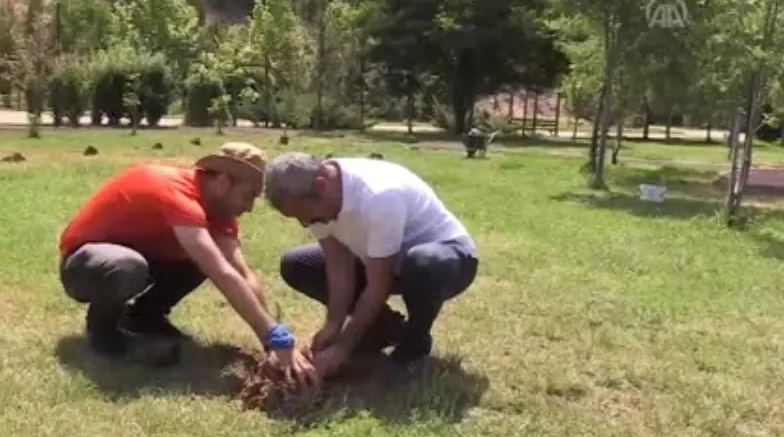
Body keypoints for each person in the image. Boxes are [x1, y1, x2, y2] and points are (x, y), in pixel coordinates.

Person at [58, 143, 319, 384]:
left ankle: (144, 318)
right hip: (84, 265)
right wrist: (273, 337)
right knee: (131, 266)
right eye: (248, 195)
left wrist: (272, 339)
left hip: (139, 260)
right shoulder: (176, 192)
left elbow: (241, 274)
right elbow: (222, 273)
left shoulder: (220, 213)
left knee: (197, 258)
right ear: (223, 182)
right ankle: (104, 333)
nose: (249, 207)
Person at [263, 152, 479, 378]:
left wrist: (344, 347)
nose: (305, 222)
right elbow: (338, 264)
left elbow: (379, 282)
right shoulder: (318, 195)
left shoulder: (379, 196)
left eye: (304, 214)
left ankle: (413, 345)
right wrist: (333, 325)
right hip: (377, 259)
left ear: (321, 185)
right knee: (297, 264)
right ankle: (382, 329)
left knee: (423, 262)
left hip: (447, 259)